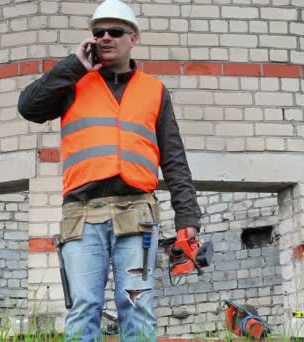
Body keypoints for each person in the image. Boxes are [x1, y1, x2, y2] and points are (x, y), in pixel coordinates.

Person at [17, 0, 201, 340]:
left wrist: (187, 219)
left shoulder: (155, 90)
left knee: (136, 304)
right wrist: (73, 65)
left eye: (114, 31)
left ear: (133, 39)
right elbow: (29, 107)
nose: (105, 37)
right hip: (82, 215)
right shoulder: (72, 82)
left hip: (137, 215)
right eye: (98, 32)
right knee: (84, 306)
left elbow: (174, 158)